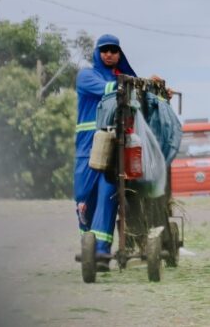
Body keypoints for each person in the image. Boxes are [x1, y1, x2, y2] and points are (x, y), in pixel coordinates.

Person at [73, 34, 137, 271]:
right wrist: (133, 83)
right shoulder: (86, 76)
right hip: (87, 147)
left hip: (115, 144)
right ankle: (88, 244)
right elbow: (108, 90)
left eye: (114, 50)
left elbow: (136, 94)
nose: (109, 54)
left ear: (120, 54)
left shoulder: (122, 77)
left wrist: (151, 87)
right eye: (105, 50)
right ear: (97, 53)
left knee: (109, 194)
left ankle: (100, 253)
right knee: (84, 197)